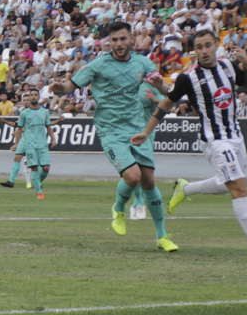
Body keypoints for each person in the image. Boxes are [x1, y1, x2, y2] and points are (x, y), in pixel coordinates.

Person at [131, 30, 247, 262]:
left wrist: (246, 63)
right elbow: (167, 102)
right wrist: (147, 132)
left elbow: (246, 85)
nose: (204, 50)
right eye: (199, 47)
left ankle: (184, 190)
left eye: (208, 45)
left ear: (217, 45)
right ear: (194, 50)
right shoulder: (189, 77)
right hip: (215, 141)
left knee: (230, 184)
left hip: (236, 136)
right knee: (239, 188)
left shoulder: (227, 66)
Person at [50, 21, 177, 252]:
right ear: (109, 41)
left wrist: (162, 85)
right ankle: (119, 208)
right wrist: (60, 89)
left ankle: (162, 236)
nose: (119, 44)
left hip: (139, 128)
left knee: (149, 181)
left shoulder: (143, 62)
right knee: (133, 177)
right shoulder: (98, 64)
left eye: (123, 39)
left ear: (131, 39)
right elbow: (70, 86)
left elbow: (168, 91)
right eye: (115, 40)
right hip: (110, 130)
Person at [128, 80, 165, 220]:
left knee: (144, 169)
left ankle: (141, 200)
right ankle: (138, 201)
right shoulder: (123, 83)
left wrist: (156, 99)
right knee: (133, 167)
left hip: (146, 132)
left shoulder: (150, 85)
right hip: (127, 130)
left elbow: (165, 103)